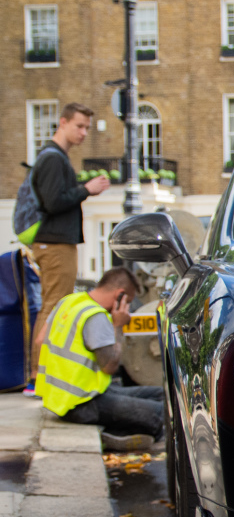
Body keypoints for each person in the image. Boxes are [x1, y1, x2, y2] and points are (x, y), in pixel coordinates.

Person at [33, 267, 163, 451]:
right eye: (129, 302)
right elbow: (109, 366)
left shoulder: (69, 302)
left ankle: (116, 430)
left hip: (61, 400)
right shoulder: (96, 316)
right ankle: (118, 432)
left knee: (160, 394)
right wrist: (117, 325)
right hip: (83, 404)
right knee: (159, 414)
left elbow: (40, 340)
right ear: (120, 296)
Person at [28, 103, 111, 338]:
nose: (84, 132)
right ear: (63, 123)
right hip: (54, 244)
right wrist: (86, 189)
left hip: (56, 242)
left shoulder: (56, 157)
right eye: (79, 126)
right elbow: (53, 202)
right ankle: (38, 371)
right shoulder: (53, 159)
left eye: (87, 127)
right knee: (54, 307)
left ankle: (40, 369)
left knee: (54, 305)